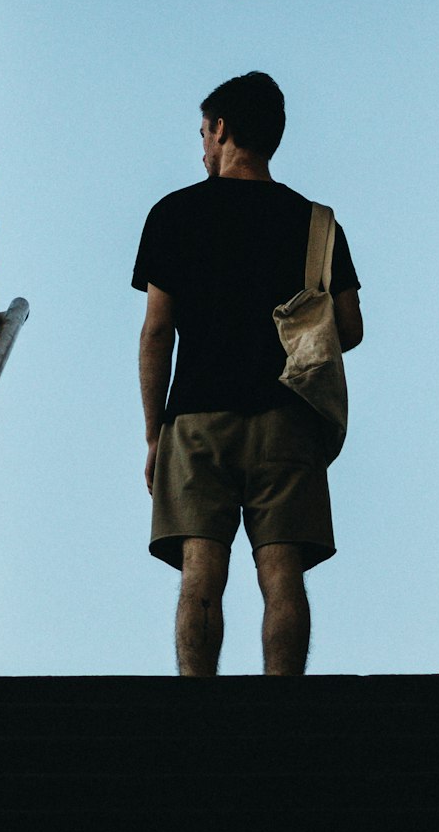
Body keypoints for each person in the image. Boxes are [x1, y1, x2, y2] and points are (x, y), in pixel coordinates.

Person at [132, 71, 363, 677]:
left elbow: (157, 332)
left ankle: (197, 706)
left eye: (204, 133)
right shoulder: (318, 223)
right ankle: (281, 707)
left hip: (196, 418)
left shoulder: (175, 213)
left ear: (223, 128)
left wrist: (155, 434)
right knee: (281, 570)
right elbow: (351, 328)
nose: (202, 148)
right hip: (287, 418)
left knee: (202, 568)